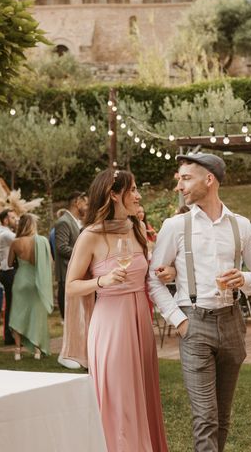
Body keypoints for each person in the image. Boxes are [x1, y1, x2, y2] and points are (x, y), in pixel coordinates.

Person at [149, 153, 251, 452]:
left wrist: (244, 279)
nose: (179, 186)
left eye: (186, 178)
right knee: (205, 417)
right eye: (179, 179)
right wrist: (179, 321)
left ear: (209, 179)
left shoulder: (240, 225)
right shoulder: (175, 226)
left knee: (222, 417)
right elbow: (153, 280)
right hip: (194, 324)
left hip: (232, 322)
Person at [65, 169, 169, 452]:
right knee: (120, 400)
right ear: (113, 194)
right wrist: (102, 281)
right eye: (132, 189)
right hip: (111, 324)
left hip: (141, 322)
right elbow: (71, 286)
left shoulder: (135, 228)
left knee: (144, 395)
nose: (138, 195)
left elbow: (147, 274)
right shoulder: (90, 235)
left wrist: (165, 272)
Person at [8, 213, 54, 360]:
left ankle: (17, 351)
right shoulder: (42, 241)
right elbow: (50, 261)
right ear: (33, 225)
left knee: (17, 315)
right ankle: (37, 351)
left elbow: (9, 263)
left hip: (21, 281)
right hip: (37, 282)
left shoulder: (15, 242)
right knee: (37, 315)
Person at [55, 192, 88, 370]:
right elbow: (61, 248)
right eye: (86, 203)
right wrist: (84, 252)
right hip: (66, 275)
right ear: (77, 202)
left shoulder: (75, 222)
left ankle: (74, 352)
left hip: (76, 275)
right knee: (69, 317)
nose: (88, 206)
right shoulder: (63, 222)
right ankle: (65, 354)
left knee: (77, 317)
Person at [0, 209, 17, 345]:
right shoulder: (7, 234)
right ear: (6, 220)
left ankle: (9, 335)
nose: (16, 220)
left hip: (4, 271)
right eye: (13, 218)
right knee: (14, 305)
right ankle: (11, 335)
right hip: (9, 272)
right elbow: (23, 242)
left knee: (10, 305)